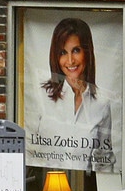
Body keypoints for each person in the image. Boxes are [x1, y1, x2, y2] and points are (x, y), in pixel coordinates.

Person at [29, 17, 113, 172]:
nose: (70, 60)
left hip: (83, 186)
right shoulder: (41, 96)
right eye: (63, 52)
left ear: (87, 52)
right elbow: (28, 151)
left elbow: (105, 162)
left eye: (76, 50)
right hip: (45, 185)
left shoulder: (102, 103)